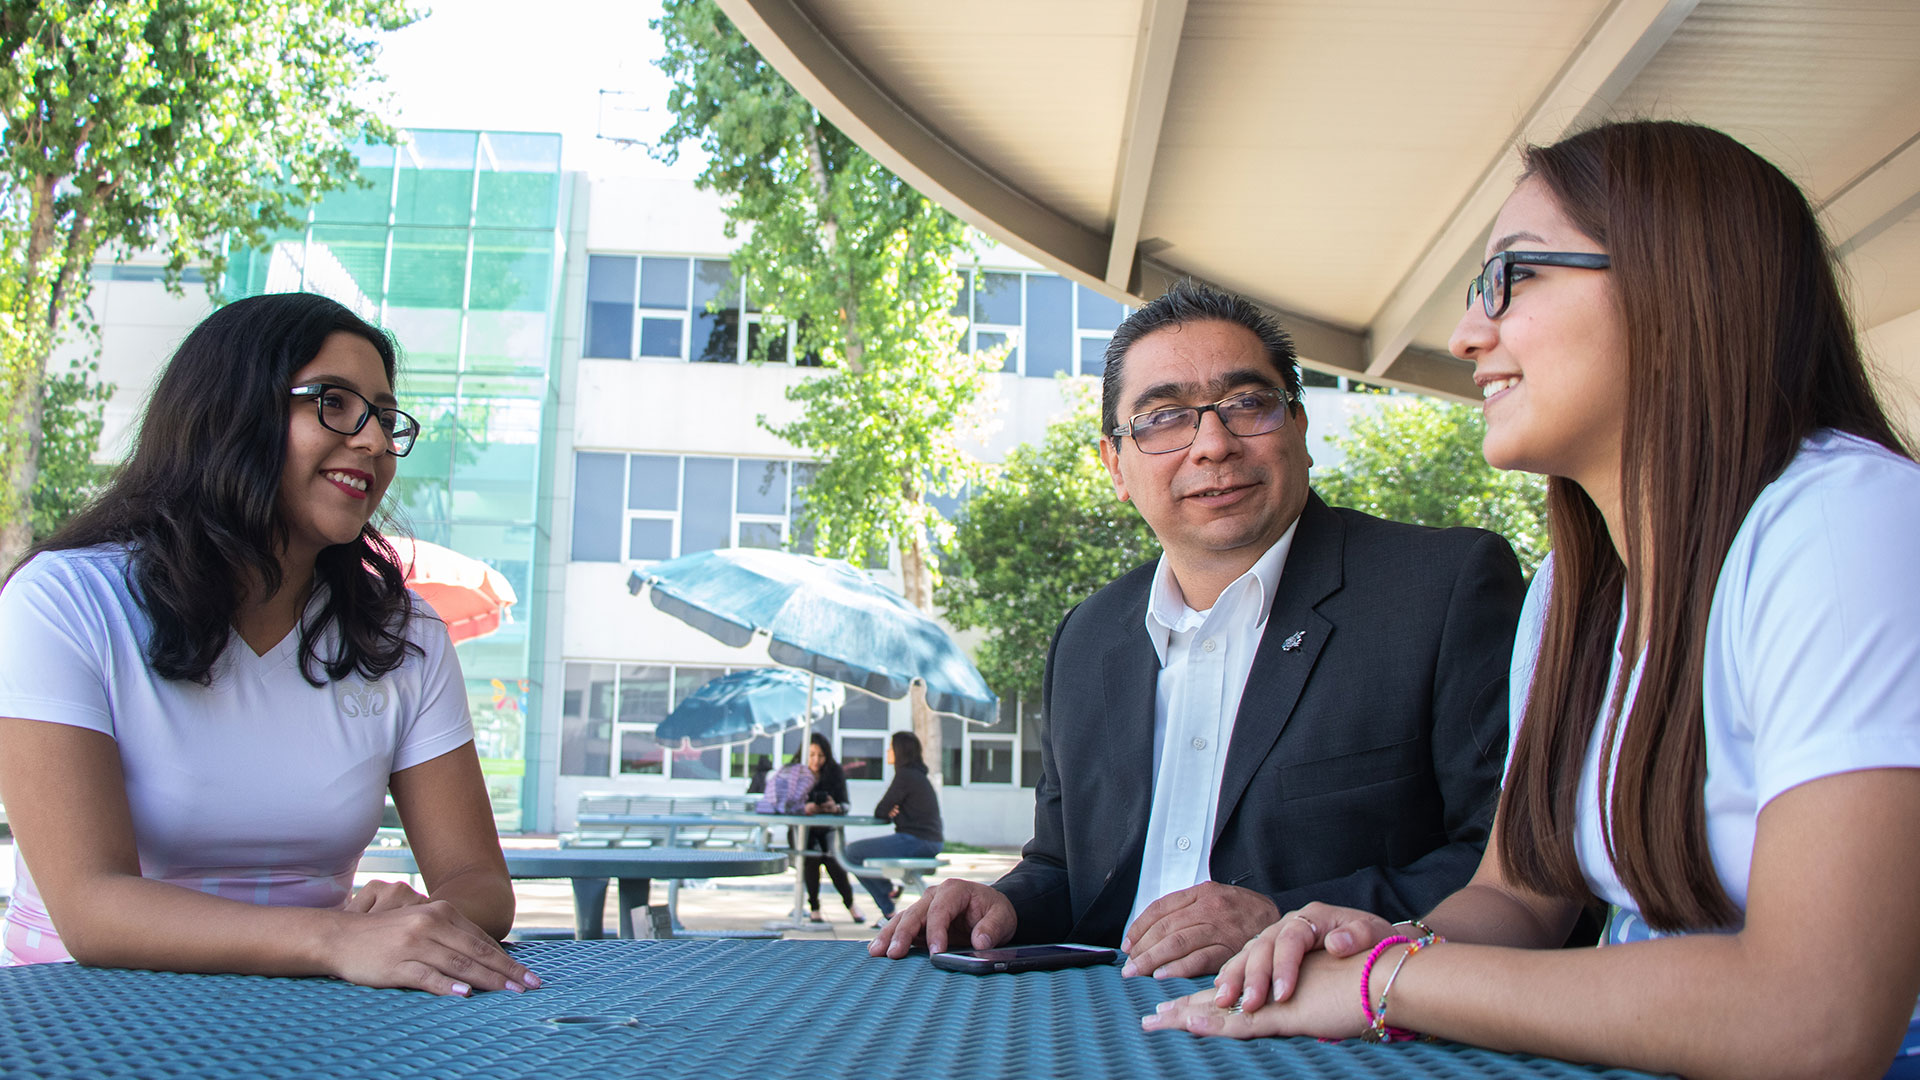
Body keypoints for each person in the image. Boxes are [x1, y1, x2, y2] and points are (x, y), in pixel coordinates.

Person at [1145, 120, 1920, 1080]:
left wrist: (1391, 981)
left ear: (1680, 282)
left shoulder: (1850, 523)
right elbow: (1520, 898)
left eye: (1515, 278)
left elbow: (1817, 1019)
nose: (1471, 334)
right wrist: (1370, 938)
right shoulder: (1575, 590)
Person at [873, 281, 1526, 977]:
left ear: (1299, 428)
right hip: (1095, 1024)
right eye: (1163, 419)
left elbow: (1514, 869)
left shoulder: (1441, 588)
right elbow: (1067, 869)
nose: (1212, 443)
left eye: (1248, 405)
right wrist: (998, 905)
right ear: (1115, 465)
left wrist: (1281, 914)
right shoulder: (1087, 639)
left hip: (1329, 1033)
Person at [0, 292, 540, 999]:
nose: (375, 441)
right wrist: (336, 938)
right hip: (83, 1016)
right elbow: (91, 907)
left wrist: (425, 915)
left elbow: (481, 885)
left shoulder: (404, 635)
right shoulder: (64, 603)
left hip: (311, 1014)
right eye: (335, 404)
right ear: (232, 411)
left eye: (383, 417)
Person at [845, 732, 942, 919]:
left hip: (918, 840)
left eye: (891, 747)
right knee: (852, 854)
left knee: (851, 853)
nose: (888, 750)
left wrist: (890, 810)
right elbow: (886, 809)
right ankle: (889, 896)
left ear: (900, 751)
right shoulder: (916, 776)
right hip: (925, 840)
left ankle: (888, 902)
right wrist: (891, 809)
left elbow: (881, 810)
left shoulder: (906, 776)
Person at [798, 732, 864, 924]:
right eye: (811, 755)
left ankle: (850, 903)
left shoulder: (835, 773)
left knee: (833, 858)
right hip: (803, 831)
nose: (816, 760)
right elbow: (784, 804)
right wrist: (804, 808)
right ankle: (814, 907)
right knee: (811, 855)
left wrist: (835, 807)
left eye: (820, 755)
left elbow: (846, 804)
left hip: (828, 828)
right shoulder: (795, 774)